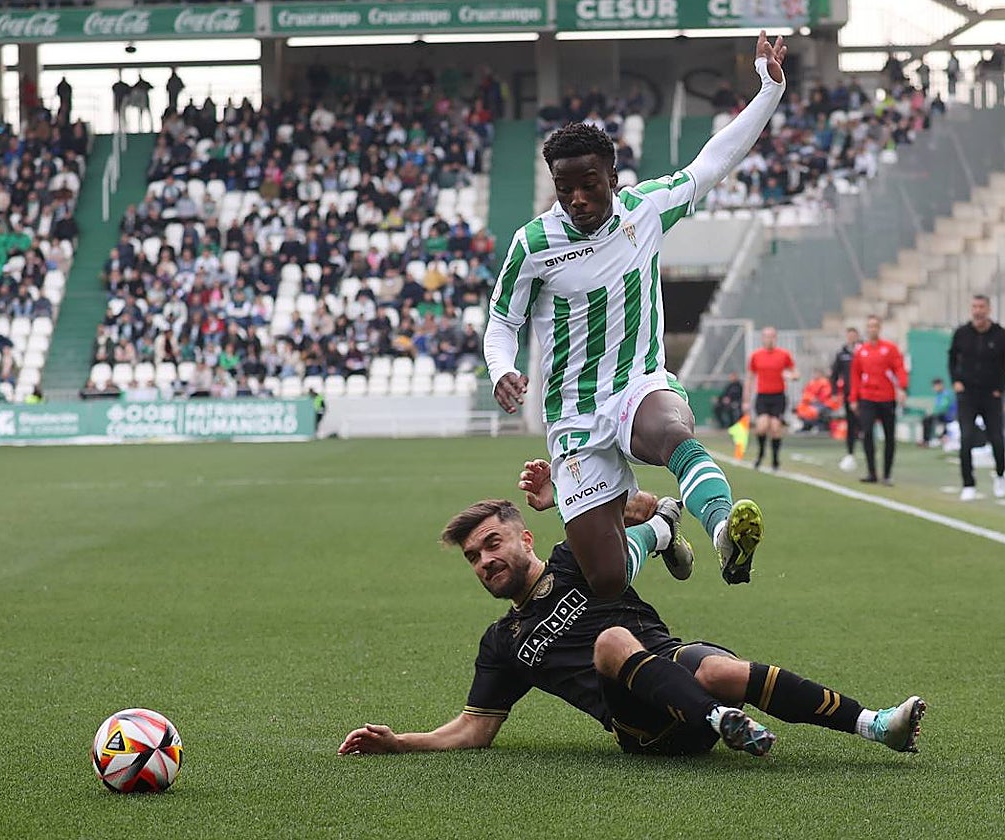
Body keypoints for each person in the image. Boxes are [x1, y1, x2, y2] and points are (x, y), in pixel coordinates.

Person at [337, 460, 926, 760]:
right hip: (644, 728)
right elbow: (473, 729)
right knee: (612, 641)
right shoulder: (504, 641)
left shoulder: (577, 559)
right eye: (473, 557)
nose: (484, 561)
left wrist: (567, 499)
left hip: (677, 669)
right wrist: (401, 743)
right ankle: (723, 720)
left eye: (492, 544)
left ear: (525, 539)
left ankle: (875, 725)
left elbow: (637, 507)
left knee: (718, 669)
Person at [485, 32, 790, 596]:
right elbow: (503, 321)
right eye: (565, 187)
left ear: (612, 179)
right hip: (572, 414)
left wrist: (768, 90)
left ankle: (724, 529)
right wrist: (501, 367)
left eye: (589, 185)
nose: (577, 198)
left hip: (636, 383)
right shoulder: (533, 243)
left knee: (671, 431)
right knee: (604, 579)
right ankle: (659, 528)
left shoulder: (644, 210)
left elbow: (711, 163)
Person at [948, 294, 1005, 500]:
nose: (978, 311)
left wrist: (1000, 388)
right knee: (966, 438)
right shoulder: (962, 334)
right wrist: (956, 380)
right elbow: (952, 357)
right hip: (968, 394)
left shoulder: (999, 335)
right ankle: (968, 483)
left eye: (981, 307)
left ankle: (1000, 476)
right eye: (974, 307)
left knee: (997, 439)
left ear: (989, 309)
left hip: (991, 394)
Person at [849, 315, 908, 486]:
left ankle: (887, 473)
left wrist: (902, 387)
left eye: (875, 326)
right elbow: (855, 376)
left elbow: (899, 368)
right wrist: (853, 398)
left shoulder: (890, 349)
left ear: (880, 328)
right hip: (867, 397)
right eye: (869, 326)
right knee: (867, 432)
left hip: (887, 398)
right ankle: (871, 471)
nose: (872, 329)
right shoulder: (861, 351)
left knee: (889, 436)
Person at [745, 325, 797, 470]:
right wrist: (746, 400)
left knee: (775, 427)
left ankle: (775, 460)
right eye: (766, 336)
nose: (769, 339)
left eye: (771, 336)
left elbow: (795, 373)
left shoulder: (784, 355)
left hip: (778, 396)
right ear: (762, 338)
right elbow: (749, 378)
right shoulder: (756, 356)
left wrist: (791, 376)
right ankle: (760, 454)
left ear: (775, 338)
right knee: (761, 427)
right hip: (762, 396)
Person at [831, 327, 862, 471]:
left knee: (865, 423)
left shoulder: (863, 351)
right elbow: (835, 374)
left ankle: (869, 452)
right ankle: (850, 453)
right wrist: (835, 392)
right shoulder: (842, 354)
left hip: (865, 393)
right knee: (851, 424)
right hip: (849, 394)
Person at [921, 378, 956, 448]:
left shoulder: (946, 394)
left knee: (929, 419)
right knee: (927, 419)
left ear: (941, 385)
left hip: (948, 415)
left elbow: (944, 407)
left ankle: (929, 440)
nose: (934, 388)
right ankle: (929, 440)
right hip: (942, 415)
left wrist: (932, 413)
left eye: (936, 386)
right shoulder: (939, 395)